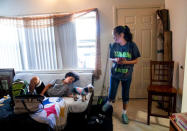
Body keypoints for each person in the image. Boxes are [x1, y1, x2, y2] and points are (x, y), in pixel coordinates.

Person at [102, 25, 141, 124]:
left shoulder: (132, 45)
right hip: (115, 74)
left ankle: (124, 113)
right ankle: (108, 103)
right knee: (111, 93)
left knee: (125, 95)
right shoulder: (114, 45)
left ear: (121, 35)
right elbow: (110, 58)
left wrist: (125, 62)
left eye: (114, 36)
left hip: (127, 76)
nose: (113, 38)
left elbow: (136, 60)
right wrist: (116, 59)